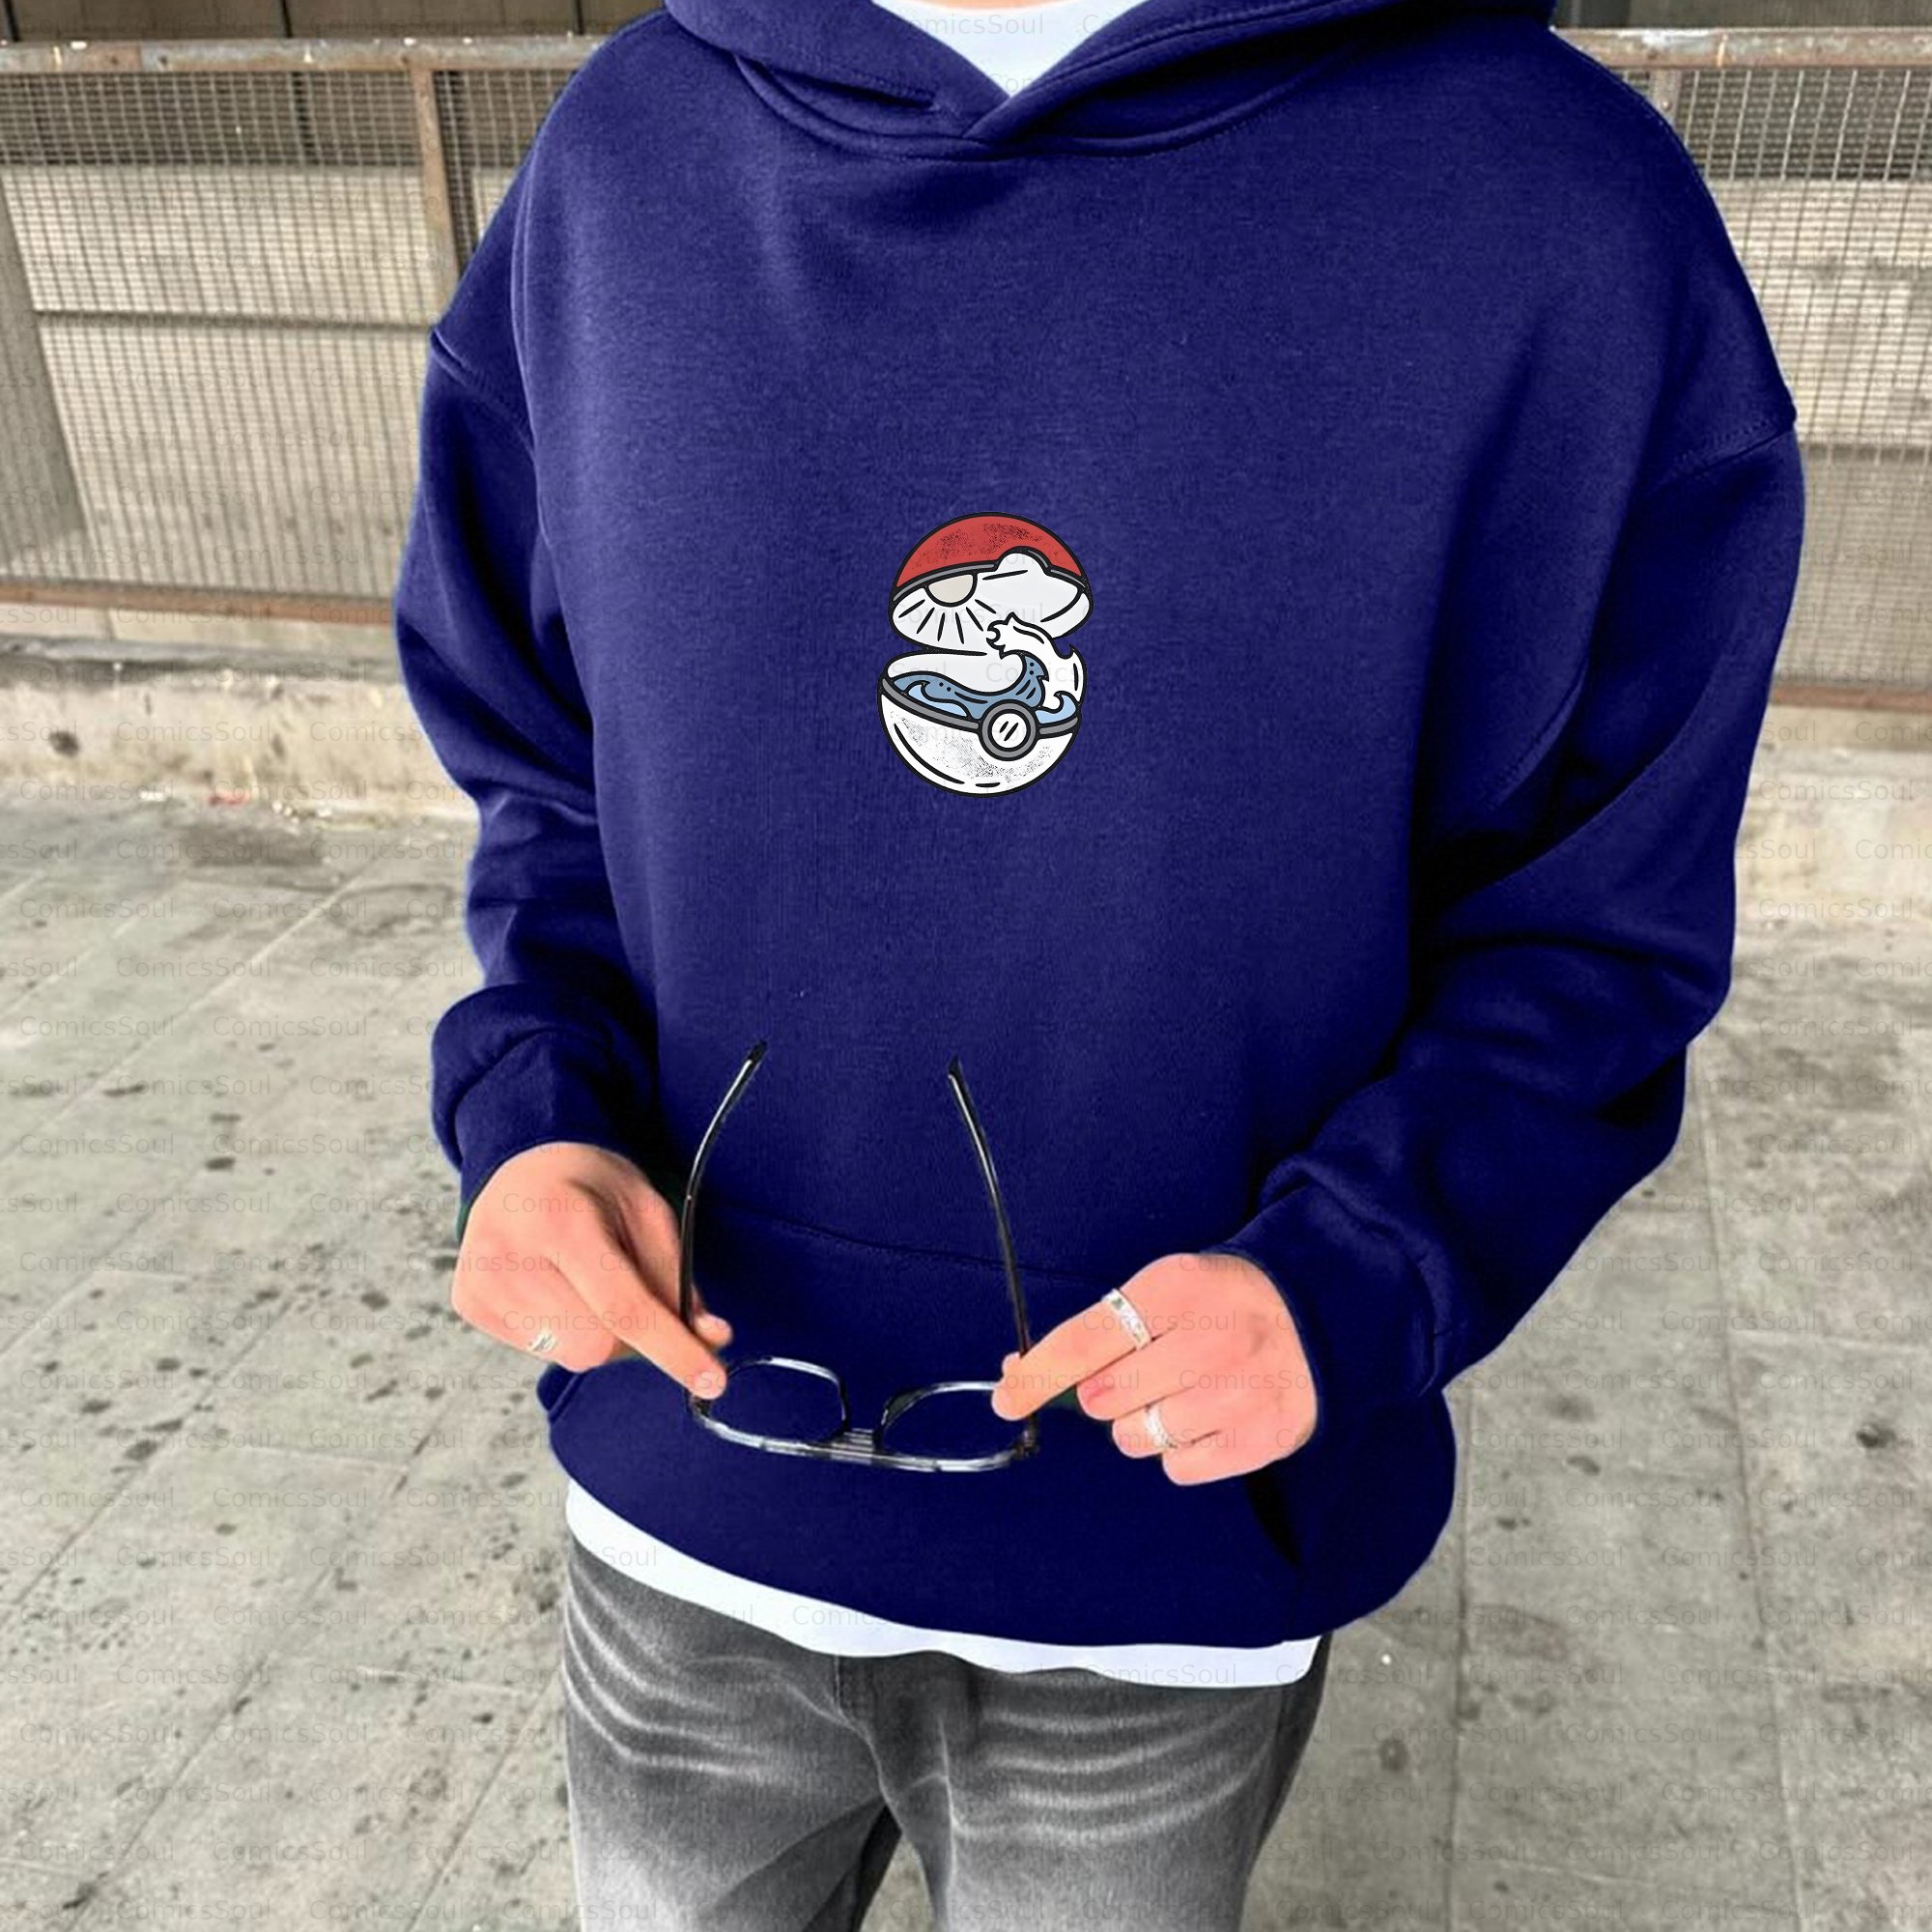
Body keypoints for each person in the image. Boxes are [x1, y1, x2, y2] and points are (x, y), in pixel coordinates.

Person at [391, 0, 1806, 1924]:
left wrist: (1358, 1269)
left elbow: (1597, 916)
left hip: (1167, 1568)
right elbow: (549, 771)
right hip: (679, 1497)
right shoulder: (628, 155)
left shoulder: (1558, 210)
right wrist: (535, 1115)